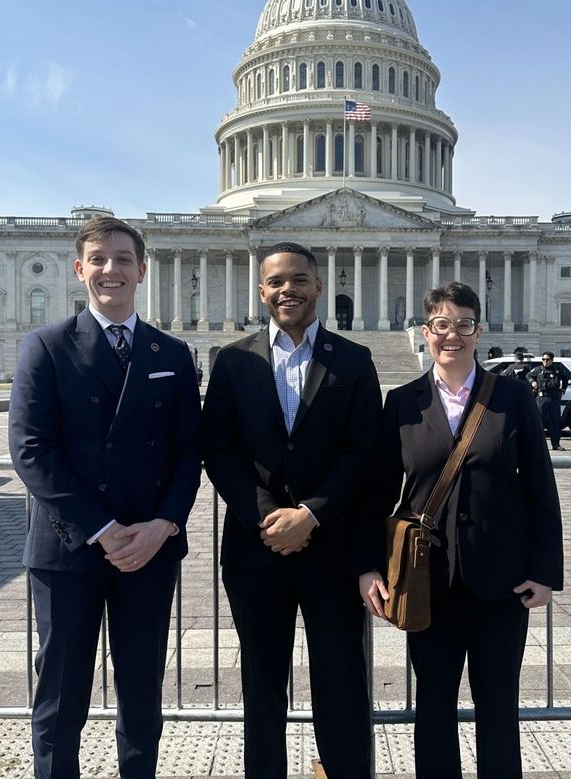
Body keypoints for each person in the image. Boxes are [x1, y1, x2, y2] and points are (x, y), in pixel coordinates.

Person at [9, 216, 202, 779]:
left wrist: (162, 524)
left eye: (122, 259)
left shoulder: (172, 351)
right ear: (80, 269)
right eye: (98, 259)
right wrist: (102, 527)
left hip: (148, 549)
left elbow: (190, 452)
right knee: (60, 695)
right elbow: (31, 450)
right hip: (69, 549)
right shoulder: (44, 345)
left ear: (142, 270)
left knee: (142, 691)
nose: (110, 270)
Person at [359, 282, 563, 779]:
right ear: (425, 332)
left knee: (499, 708)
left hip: (502, 580)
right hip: (427, 579)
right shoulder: (403, 401)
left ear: (478, 330)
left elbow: (540, 486)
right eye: (442, 325)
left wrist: (544, 572)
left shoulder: (512, 396)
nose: (453, 336)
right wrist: (366, 568)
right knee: (432, 708)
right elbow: (378, 492)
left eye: (464, 324)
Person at [202, 242, 382, 779]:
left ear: (318, 286)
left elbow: (364, 451)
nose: (289, 290)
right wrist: (268, 515)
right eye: (277, 281)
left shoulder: (355, 360)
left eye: (299, 279)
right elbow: (219, 448)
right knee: (261, 688)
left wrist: (311, 513)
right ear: (261, 291)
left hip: (331, 549)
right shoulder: (231, 359)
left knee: (342, 686)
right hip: (255, 551)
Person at [527, 352, 570, 451]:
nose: (545, 362)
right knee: (539, 422)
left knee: (555, 422)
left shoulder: (558, 369)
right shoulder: (538, 369)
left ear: (552, 360)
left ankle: (556, 444)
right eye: (543, 359)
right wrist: (532, 382)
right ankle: (537, 445)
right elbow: (528, 375)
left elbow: (566, 379)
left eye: (547, 360)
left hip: (554, 399)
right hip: (542, 398)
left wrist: (563, 390)